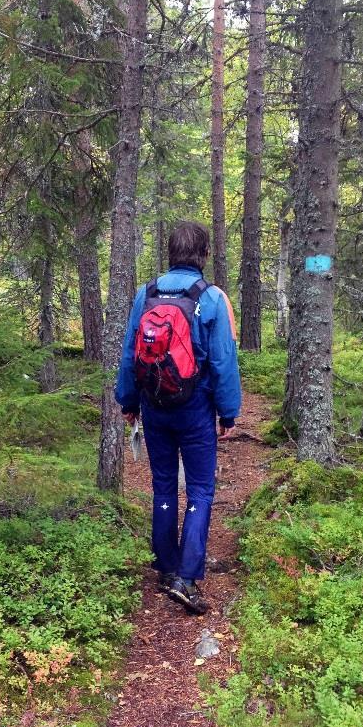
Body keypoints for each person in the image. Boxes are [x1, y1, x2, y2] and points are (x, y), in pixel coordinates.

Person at [115, 219, 242, 614]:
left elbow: (128, 354)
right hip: (195, 409)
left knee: (164, 487)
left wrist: (128, 401)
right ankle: (187, 577)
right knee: (201, 489)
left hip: (155, 407)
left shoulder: (146, 293)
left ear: (170, 252)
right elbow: (223, 360)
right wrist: (229, 411)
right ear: (203, 255)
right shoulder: (213, 299)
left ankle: (166, 567)